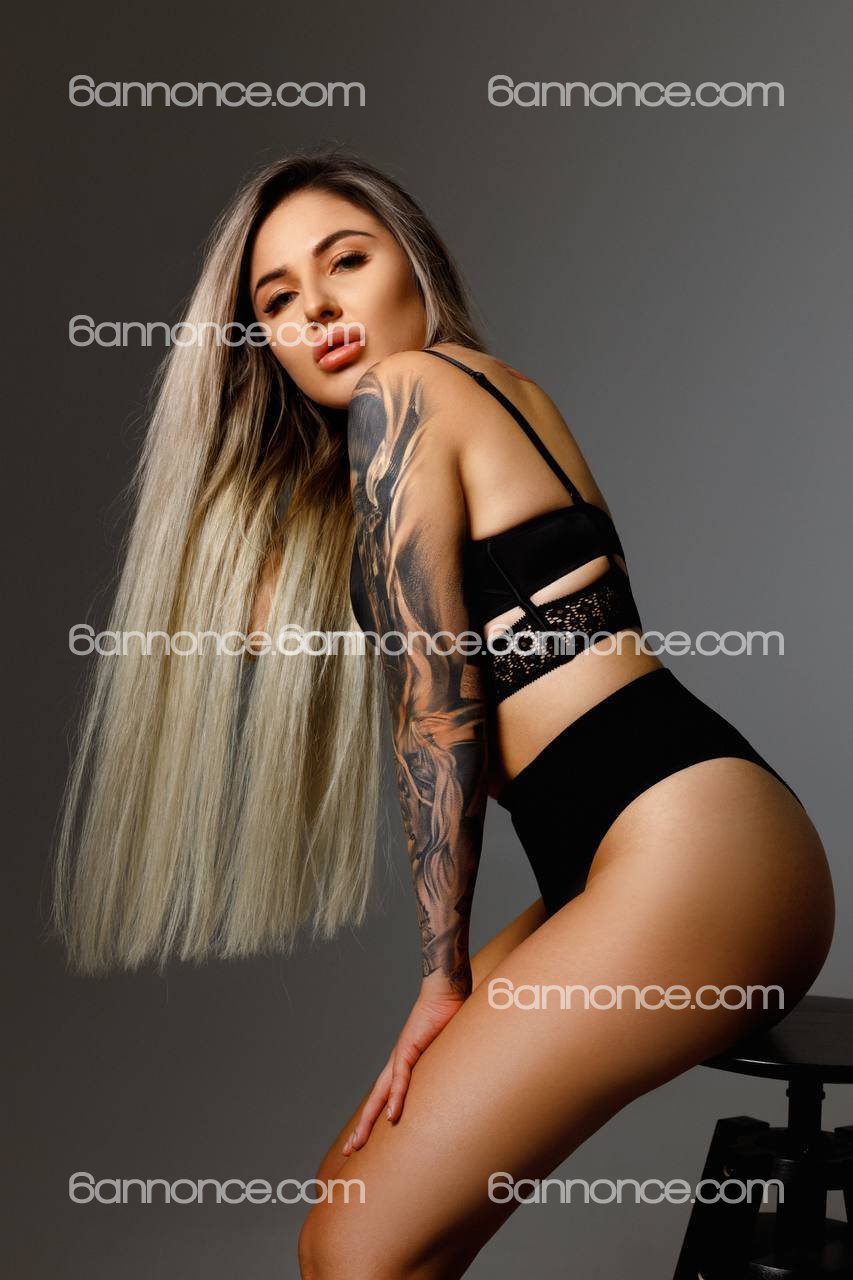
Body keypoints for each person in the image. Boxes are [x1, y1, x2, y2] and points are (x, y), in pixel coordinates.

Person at [52, 149, 835, 1278]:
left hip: (690, 845)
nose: (318, 309)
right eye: (277, 299)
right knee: (347, 1226)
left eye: (345, 262)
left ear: (412, 266)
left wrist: (440, 975)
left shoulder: (408, 392)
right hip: (668, 841)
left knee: (361, 1246)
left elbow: (440, 708)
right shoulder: (476, 399)